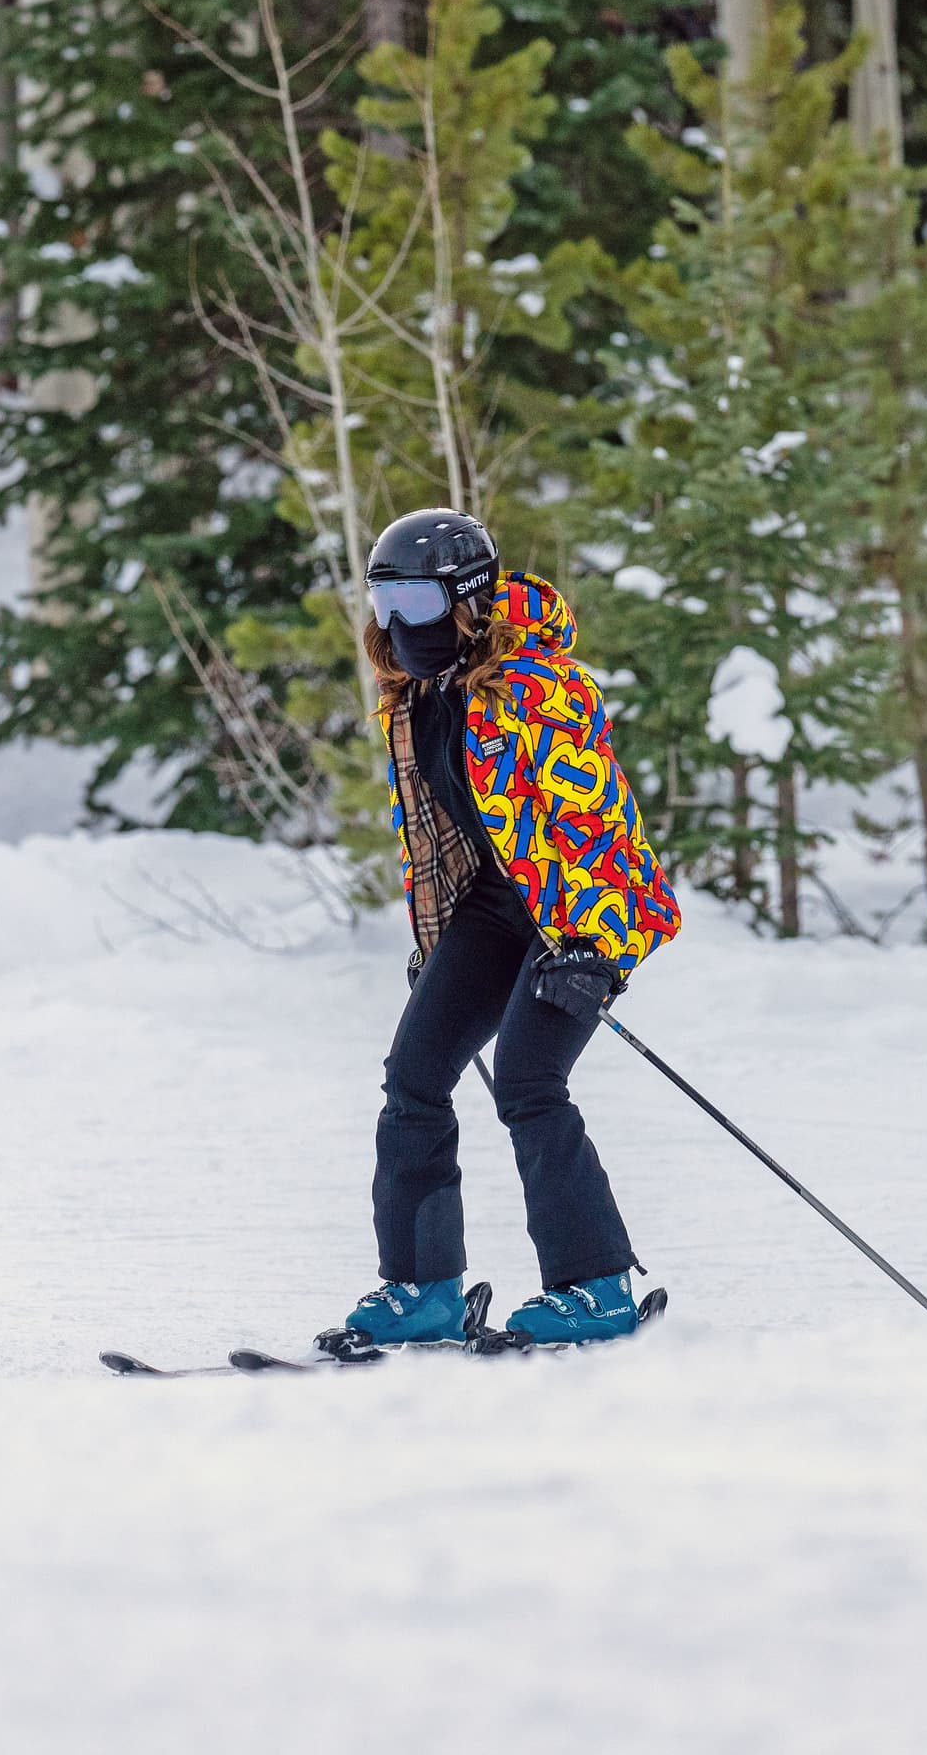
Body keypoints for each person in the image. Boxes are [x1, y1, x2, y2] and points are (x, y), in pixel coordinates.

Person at [342, 508, 681, 1348]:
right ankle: (423, 1286)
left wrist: (596, 948)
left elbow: (600, 824)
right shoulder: (420, 696)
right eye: (385, 603)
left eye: (416, 602)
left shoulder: (540, 686)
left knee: (529, 1080)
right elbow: (434, 838)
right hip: (497, 904)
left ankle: (595, 1287)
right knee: (414, 1076)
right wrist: (437, 946)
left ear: (465, 600)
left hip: (582, 908)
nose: (398, 624)